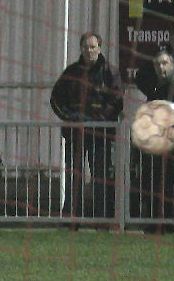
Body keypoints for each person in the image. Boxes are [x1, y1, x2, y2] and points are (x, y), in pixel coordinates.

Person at [50, 31, 124, 226]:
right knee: (74, 177)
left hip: (101, 135)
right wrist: (72, 118)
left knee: (101, 179)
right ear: (81, 49)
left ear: (99, 48)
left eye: (92, 47)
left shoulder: (110, 72)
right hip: (75, 134)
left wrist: (96, 120)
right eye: (85, 47)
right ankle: (71, 221)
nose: (89, 51)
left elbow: (116, 101)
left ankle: (103, 221)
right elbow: (56, 99)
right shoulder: (71, 72)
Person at [133, 47, 174, 233]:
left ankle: (166, 224)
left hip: (173, 148)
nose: (161, 67)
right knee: (154, 185)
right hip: (158, 147)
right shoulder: (157, 87)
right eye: (158, 64)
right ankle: (155, 222)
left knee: (168, 186)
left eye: (165, 63)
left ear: (173, 64)